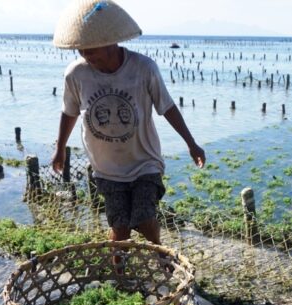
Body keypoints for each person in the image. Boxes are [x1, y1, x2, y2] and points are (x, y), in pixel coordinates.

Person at [51, 0, 205, 248]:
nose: (85, 55)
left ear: (110, 41)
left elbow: (167, 107)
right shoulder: (75, 74)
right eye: (81, 50)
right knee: (120, 229)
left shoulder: (143, 68)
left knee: (144, 219)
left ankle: (159, 254)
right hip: (106, 169)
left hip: (145, 163)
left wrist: (191, 144)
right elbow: (69, 112)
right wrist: (60, 149)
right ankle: (119, 273)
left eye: (91, 49)